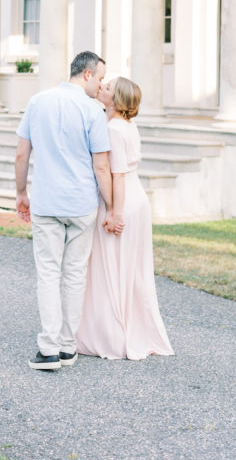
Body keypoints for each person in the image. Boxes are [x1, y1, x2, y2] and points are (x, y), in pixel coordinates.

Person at [15, 50, 122, 371]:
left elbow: (22, 154)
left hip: (47, 202)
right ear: (87, 74)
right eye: (100, 78)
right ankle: (66, 346)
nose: (100, 85)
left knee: (48, 273)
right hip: (81, 204)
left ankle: (48, 348)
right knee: (74, 274)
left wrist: (21, 192)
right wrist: (112, 207)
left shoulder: (38, 101)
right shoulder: (92, 111)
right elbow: (101, 167)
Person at [76, 77, 174, 360]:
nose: (102, 87)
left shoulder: (115, 130)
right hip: (136, 198)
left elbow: (115, 173)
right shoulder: (128, 126)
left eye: (107, 88)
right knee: (130, 269)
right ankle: (130, 329)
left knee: (112, 268)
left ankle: (114, 336)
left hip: (123, 201)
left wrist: (113, 212)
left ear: (116, 100)